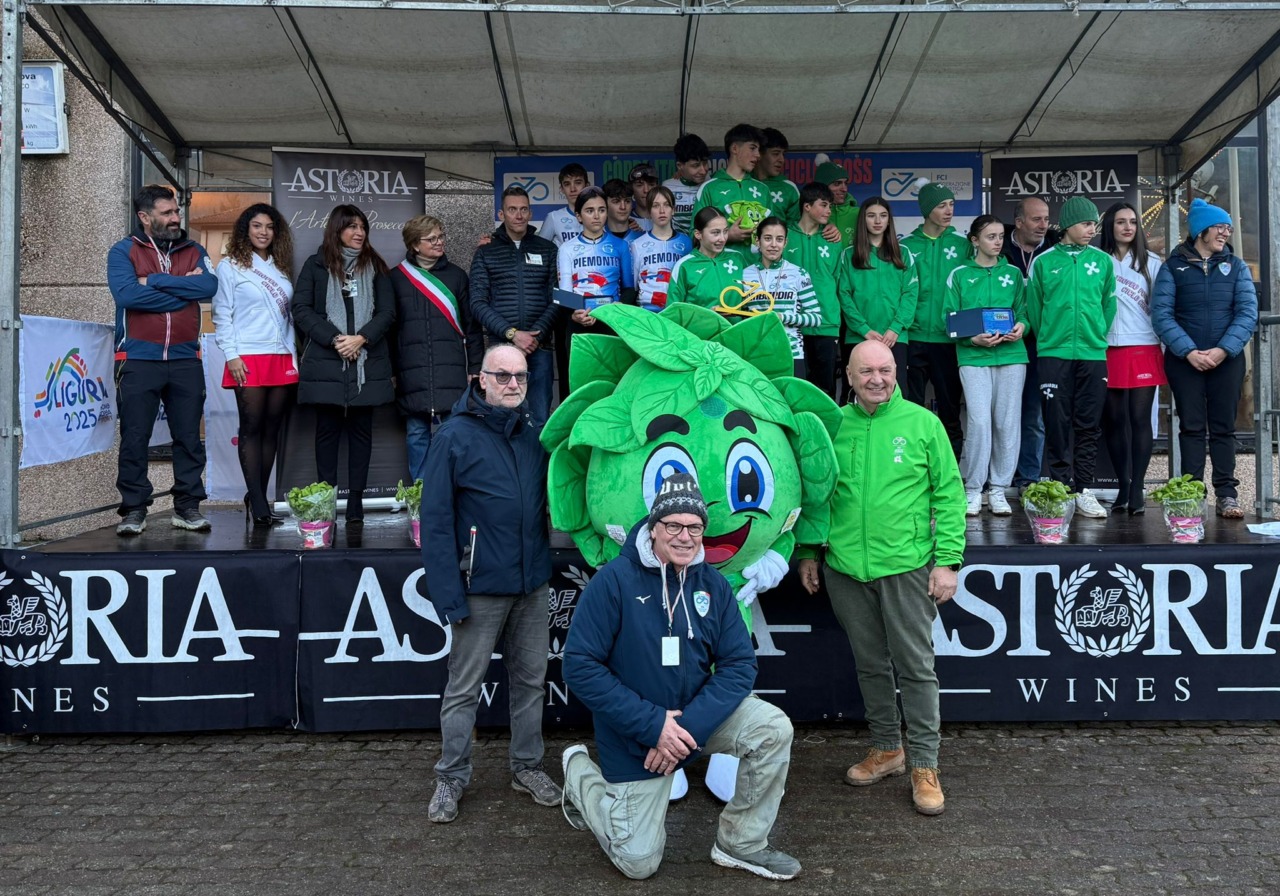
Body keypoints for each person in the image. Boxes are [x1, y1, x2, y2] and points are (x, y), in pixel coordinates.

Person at [562, 473, 800, 881]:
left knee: (772, 727)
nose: (684, 536)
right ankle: (578, 771)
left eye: (694, 527)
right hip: (635, 737)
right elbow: (580, 667)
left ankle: (741, 844)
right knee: (638, 864)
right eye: (673, 525)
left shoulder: (713, 585)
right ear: (653, 528)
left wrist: (682, 731)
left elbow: (740, 665)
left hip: (693, 725)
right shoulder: (613, 582)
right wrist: (655, 727)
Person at [798, 340, 964, 817]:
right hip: (846, 569)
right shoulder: (833, 427)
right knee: (870, 665)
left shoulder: (922, 424)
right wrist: (810, 550)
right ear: (848, 377)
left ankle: (925, 766)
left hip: (906, 568)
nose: (877, 379)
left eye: (885, 369)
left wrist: (947, 561)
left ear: (897, 371)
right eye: (866, 371)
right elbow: (817, 495)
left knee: (915, 669)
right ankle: (888, 750)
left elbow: (949, 497)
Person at [421, 344, 560, 823]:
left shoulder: (533, 434)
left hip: (532, 582)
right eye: (502, 376)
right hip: (479, 587)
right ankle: (450, 778)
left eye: (520, 377)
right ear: (480, 379)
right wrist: (448, 594)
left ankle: (527, 766)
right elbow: (435, 520)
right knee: (464, 689)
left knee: (530, 683)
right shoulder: (454, 437)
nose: (513, 385)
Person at [108, 184, 219, 536]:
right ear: (145, 217)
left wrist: (154, 281)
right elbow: (127, 295)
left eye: (176, 211)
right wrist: (179, 291)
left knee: (188, 437)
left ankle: (187, 507)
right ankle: (134, 510)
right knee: (135, 436)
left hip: (186, 358)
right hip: (138, 358)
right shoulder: (123, 251)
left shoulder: (194, 249)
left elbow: (207, 289)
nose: (176, 218)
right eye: (167, 213)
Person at [1152, 198, 1259, 519]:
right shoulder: (1173, 267)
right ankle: (1192, 493)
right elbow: (1161, 315)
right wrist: (1188, 352)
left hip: (1227, 360)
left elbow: (1247, 312)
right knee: (1192, 428)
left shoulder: (1237, 266)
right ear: (1201, 230)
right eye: (1220, 227)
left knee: (1224, 428)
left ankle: (1227, 494)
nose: (1226, 233)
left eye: (1228, 227)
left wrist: (1222, 350)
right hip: (1185, 363)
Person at [291, 204, 395, 527]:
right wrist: (337, 339)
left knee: (362, 435)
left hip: (367, 364)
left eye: (362, 226)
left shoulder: (376, 266)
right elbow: (302, 309)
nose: (359, 232)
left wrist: (361, 338)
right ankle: (325, 503)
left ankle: (355, 505)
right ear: (336, 230)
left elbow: (387, 313)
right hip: (327, 364)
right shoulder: (316, 265)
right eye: (351, 226)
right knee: (327, 435)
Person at [1025, 196, 1116, 519]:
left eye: (1094, 224)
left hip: (1092, 353)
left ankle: (1085, 489)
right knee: (1056, 421)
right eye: (1086, 223)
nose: (1092, 230)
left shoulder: (1103, 261)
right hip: (1054, 352)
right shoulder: (1045, 261)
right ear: (1068, 226)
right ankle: (1062, 487)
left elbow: (1109, 304)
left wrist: (1095, 334)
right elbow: (1034, 307)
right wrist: (1050, 336)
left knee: (1088, 423)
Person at [211, 202, 297, 528]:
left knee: (272, 430)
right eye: (257, 226)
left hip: (281, 357)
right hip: (247, 356)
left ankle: (257, 494)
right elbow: (222, 314)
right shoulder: (230, 267)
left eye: (269, 227)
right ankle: (259, 503)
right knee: (251, 428)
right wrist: (231, 355)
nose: (263, 232)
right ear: (246, 230)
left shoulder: (281, 268)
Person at [943, 215, 1028, 517]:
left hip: (1011, 357)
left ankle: (999, 490)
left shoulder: (1014, 273)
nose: (997, 242)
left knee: (1007, 423)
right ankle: (973, 489)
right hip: (974, 357)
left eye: (1001, 236)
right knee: (979, 422)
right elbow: (949, 319)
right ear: (974, 240)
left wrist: (1020, 327)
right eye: (990, 236)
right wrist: (972, 339)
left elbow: (1024, 310)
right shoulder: (960, 275)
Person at [389, 214, 483, 484]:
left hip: (451, 369)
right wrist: (392, 371)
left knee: (455, 432)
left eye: (441, 236)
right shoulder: (396, 279)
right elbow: (389, 330)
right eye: (432, 239)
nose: (439, 242)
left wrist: (474, 367)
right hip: (412, 370)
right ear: (415, 245)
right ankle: (421, 496)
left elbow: (472, 326)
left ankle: (455, 490)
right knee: (417, 434)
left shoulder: (456, 276)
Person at [469, 185, 560, 423]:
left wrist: (535, 336)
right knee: (501, 416)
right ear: (501, 214)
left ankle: (537, 462)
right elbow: (477, 303)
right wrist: (511, 334)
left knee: (539, 418)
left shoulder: (548, 249)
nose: (518, 215)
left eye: (523, 209)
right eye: (512, 209)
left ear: (530, 213)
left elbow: (558, 298)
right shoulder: (485, 252)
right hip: (501, 347)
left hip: (539, 349)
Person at [1099, 202, 1164, 515]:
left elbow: (1161, 307)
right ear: (1110, 226)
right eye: (1121, 222)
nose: (1128, 227)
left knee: (1139, 419)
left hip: (1143, 346)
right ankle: (1122, 486)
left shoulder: (1153, 263)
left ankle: (1137, 486)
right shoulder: (1098, 262)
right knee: (1113, 420)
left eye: (1133, 222)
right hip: (1106, 347)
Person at [900, 182, 972, 460]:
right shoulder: (906, 246)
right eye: (942, 205)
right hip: (914, 336)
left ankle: (952, 473)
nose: (949, 210)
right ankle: (913, 469)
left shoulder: (963, 246)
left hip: (948, 339)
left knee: (950, 409)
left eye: (952, 204)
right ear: (927, 209)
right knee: (911, 408)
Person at [1002, 197, 1056, 492]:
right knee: (1002, 415)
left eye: (1046, 219)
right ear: (1019, 222)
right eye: (1036, 219)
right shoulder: (999, 246)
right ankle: (996, 479)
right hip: (1003, 345)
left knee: (1034, 416)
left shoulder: (1053, 251)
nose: (1043, 225)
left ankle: (1027, 479)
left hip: (1042, 344)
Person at [556, 186, 635, 384]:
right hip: (579, 324)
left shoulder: (621, 246)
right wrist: (574, 313)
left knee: (613, 384)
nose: (596, 216)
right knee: (581, 385)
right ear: (579, 216)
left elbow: (629, 289)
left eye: (601, 209)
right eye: (589, 211)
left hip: (612, 324)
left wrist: (618, 307)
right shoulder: (567, 249)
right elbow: (563, 294)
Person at [836, 195, 918, 378]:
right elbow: (844, 296)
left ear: (889, 220)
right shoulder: (849, 255)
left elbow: (910, 293)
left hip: (895, 337)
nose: (878, 221)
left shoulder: (903, 253)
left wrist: (895, 328)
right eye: (871, 215)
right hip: (859, 336)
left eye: (883, 215)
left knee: (895, 393)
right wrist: (863, 329)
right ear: (863, 220)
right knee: (860, 391)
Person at [741, 217, 823, 377]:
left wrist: (781, 317)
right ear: (757, 241)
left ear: (785, 243)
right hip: (756, 354)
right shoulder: (746, 274)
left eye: (779, 239)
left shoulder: (798, 274)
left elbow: (815, 318)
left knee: (791, 402)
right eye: (767, 238)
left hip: (791, 354)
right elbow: (742, 315)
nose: (773, 244)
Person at [783, 182, 843, 398]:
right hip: (792, 324)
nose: (829, 211)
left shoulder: (834, 241)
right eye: (824, 205)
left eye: (830, 206)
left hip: (826, 323)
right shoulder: (784, 237)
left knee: (825, 391)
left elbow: (838, 281)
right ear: (807, 206)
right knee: (795, 390)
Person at [690, 123, 771, 265]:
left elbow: (775, 231)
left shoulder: (763, 189)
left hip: (759, 271)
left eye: (758, 150)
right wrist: (728, 235)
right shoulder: (710, 188)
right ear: (734, 148)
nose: (758, 155)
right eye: (752, 148)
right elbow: (694, 235)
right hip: (722, 270)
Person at [667, 208, 742, 313]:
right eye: (715, 233)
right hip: (698, 329)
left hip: (737, 329)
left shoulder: (737, 258)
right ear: (698, 234)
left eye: (725, 231)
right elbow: (673, 312)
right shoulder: (684, 266)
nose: (723, 238)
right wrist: (706, 316)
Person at [630, 186, 692, 312]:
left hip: (677, 312)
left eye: (666, 205)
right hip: (647, 312)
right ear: (649, 211)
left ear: (673, 210)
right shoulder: (637, 245)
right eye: (656, 206)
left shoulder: (686, 242)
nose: (662, 211)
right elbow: (634, 286)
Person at [663, 133, 711, 236]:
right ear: (680, 166)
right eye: (696, 165)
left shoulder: (711, 184)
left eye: (705, 163)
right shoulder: (668, 188)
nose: (703, 171)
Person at [754, 127, 800, 225]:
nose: (781, 160)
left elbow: (797, 228)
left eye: (783, 154)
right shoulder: (742, 182)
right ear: (759, 154)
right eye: (776, 154)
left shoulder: (789, 188)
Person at [542, 162, 590, 246]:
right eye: (567, 184)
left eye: (578, 182)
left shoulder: (598, 216)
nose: (572, 189)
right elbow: (539, 250)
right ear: (562, 189)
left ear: (587, 186)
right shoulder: (554, 217)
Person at [815, 159, 860, 248]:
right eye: (837, 183)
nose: (844, 189)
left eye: (845, 183)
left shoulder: (859, 213)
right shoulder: (810, 215)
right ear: (822, 186)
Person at [602, 178, 641, 244]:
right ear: (604, 204)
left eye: (627, 201)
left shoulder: (642, 238)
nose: (623, 207)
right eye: (616, 201)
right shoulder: (596, 239)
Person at [628, 162, 660, 233]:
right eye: (639, 185)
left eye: (651, 184)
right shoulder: (625, 220)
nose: (646, 190)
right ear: (631, 189)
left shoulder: (666, 217)